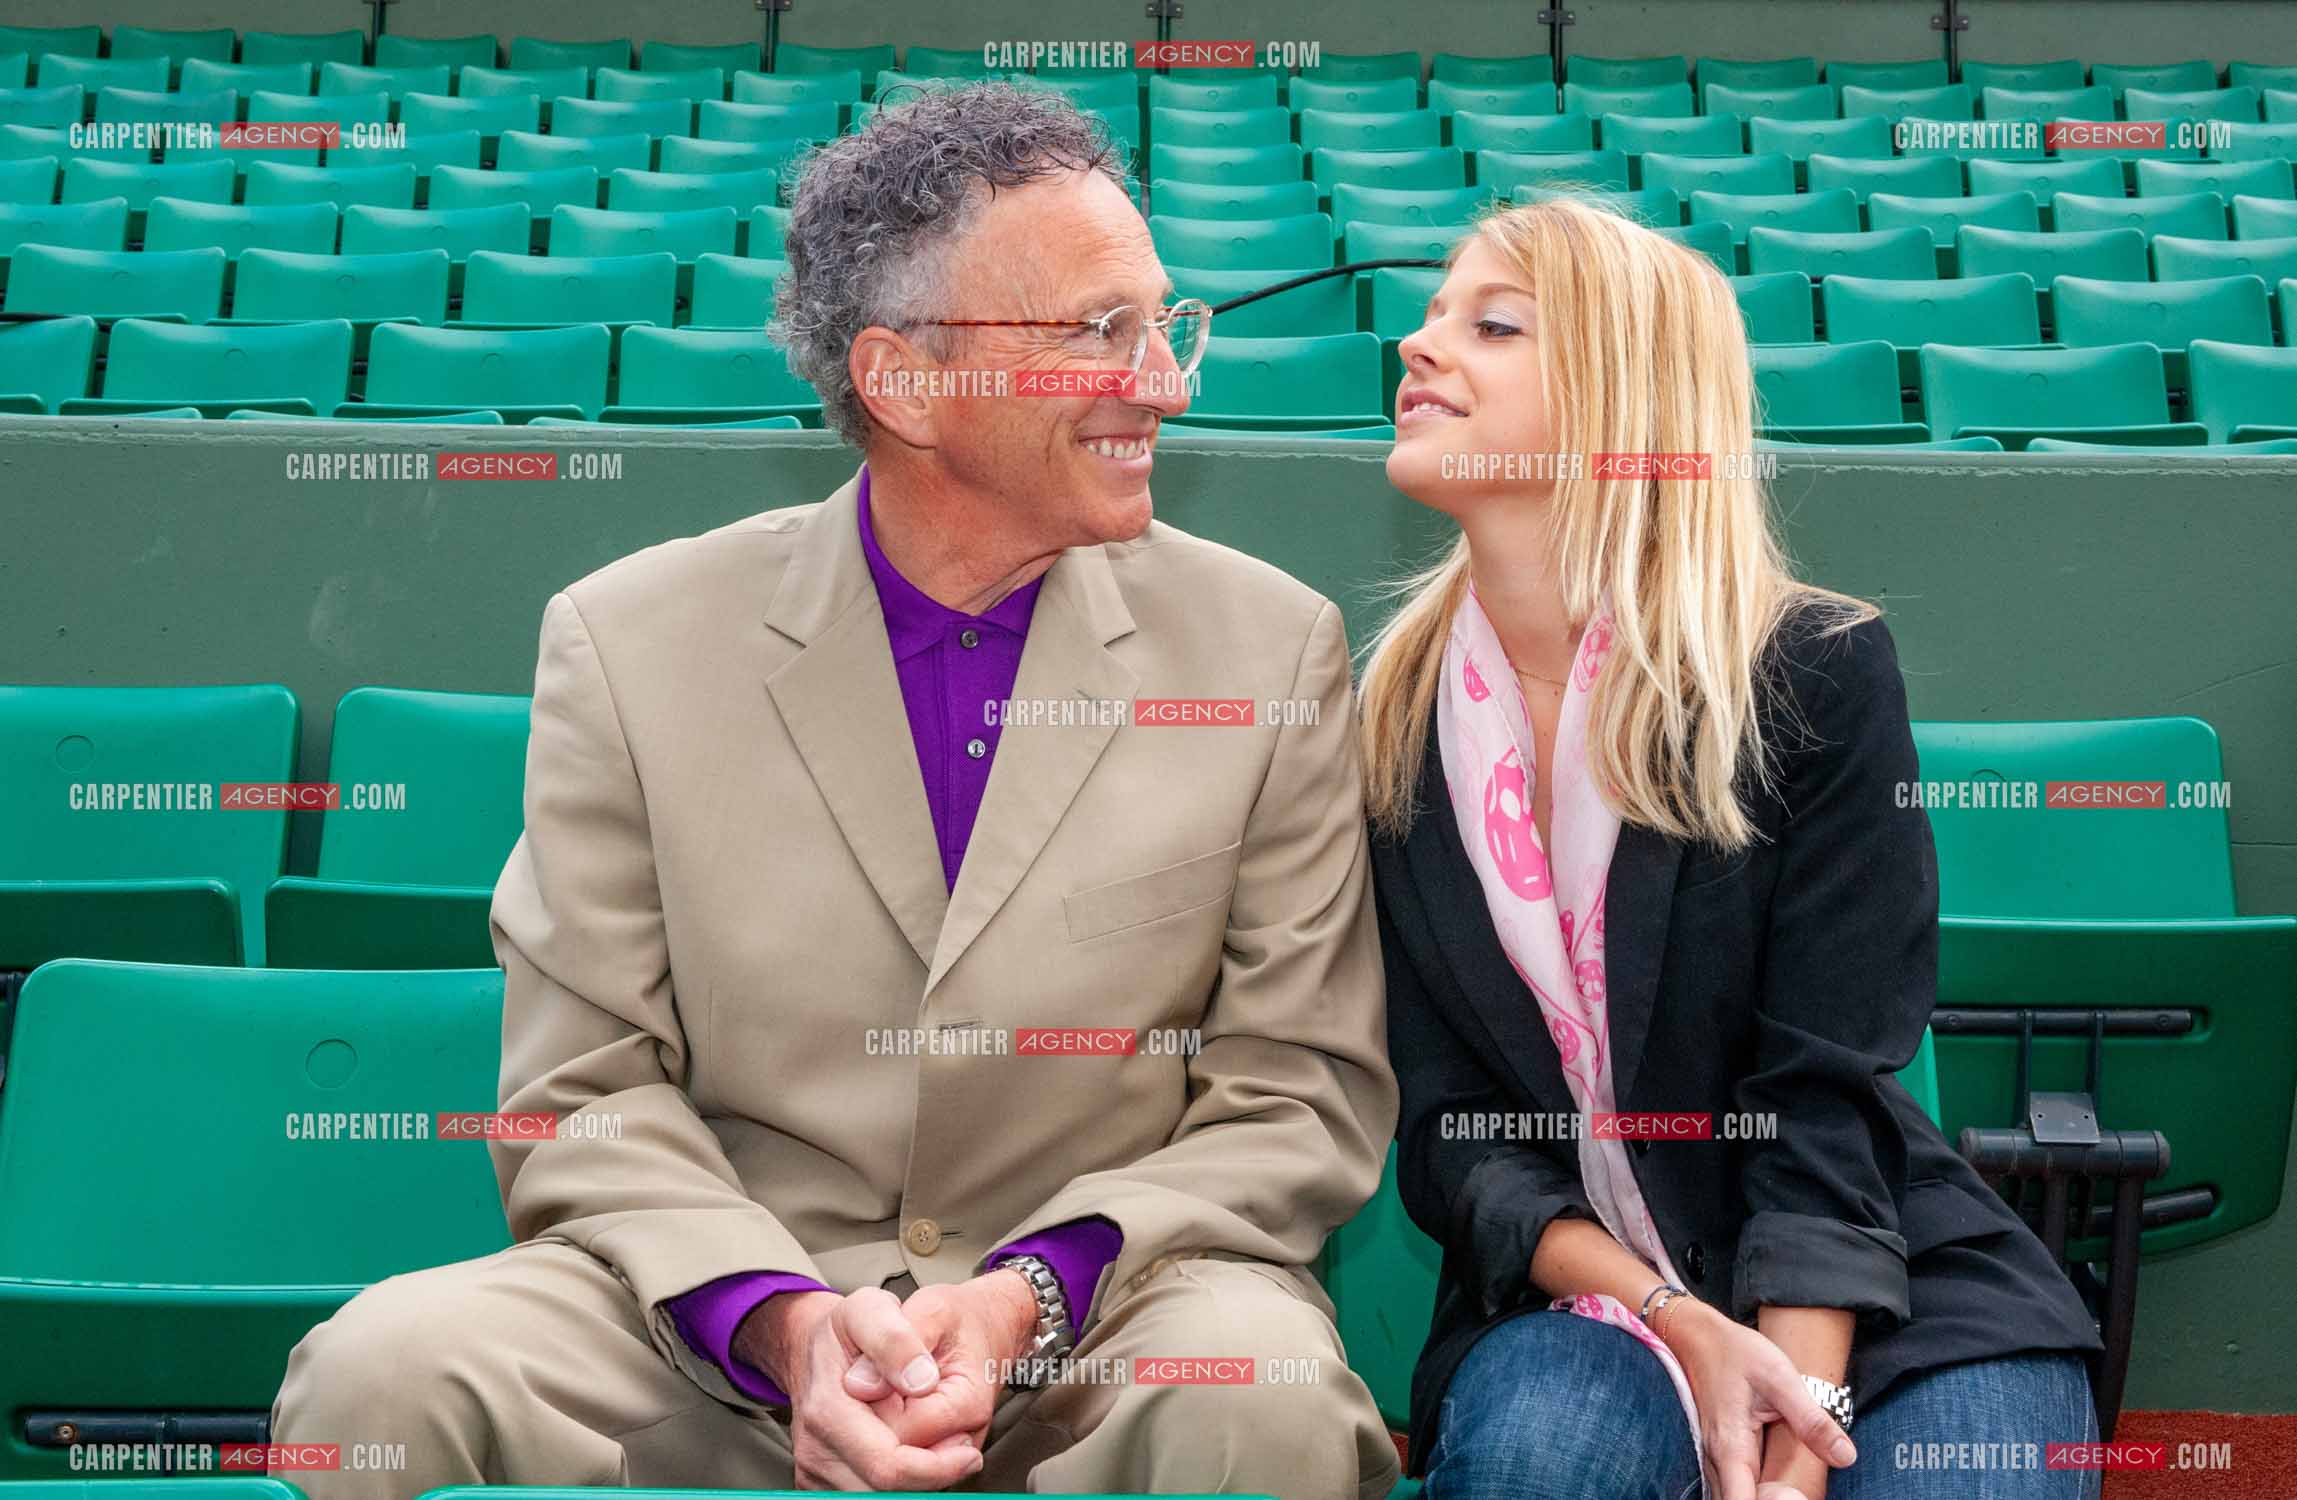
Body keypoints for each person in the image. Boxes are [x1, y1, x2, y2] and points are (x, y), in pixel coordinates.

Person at [271, 82, 1399, 1500]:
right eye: (1097, 334)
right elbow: (581, 1089)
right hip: (709, 1324)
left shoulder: (1265, 646)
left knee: (1270, 1400)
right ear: (904, 380)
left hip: (1103, 1325)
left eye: (1164, 323)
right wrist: (788, 1331)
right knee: (379, 1373)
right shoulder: (629, 641)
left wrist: (1023, 1297)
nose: (1163, 381)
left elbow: (1296, 1091)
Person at [1358, 197, 2103, 1500]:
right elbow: (1447, 1137)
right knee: (1545, 1462)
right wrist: (1666, 1307)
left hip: (1870, 1283)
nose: (1418, 346)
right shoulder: (1386, 725)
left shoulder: (1809, 671)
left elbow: (1820, 1091)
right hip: (1581, 1303)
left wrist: (1792, 1422)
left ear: (1620, 395)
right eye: (1428, 318)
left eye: (1489, 324)